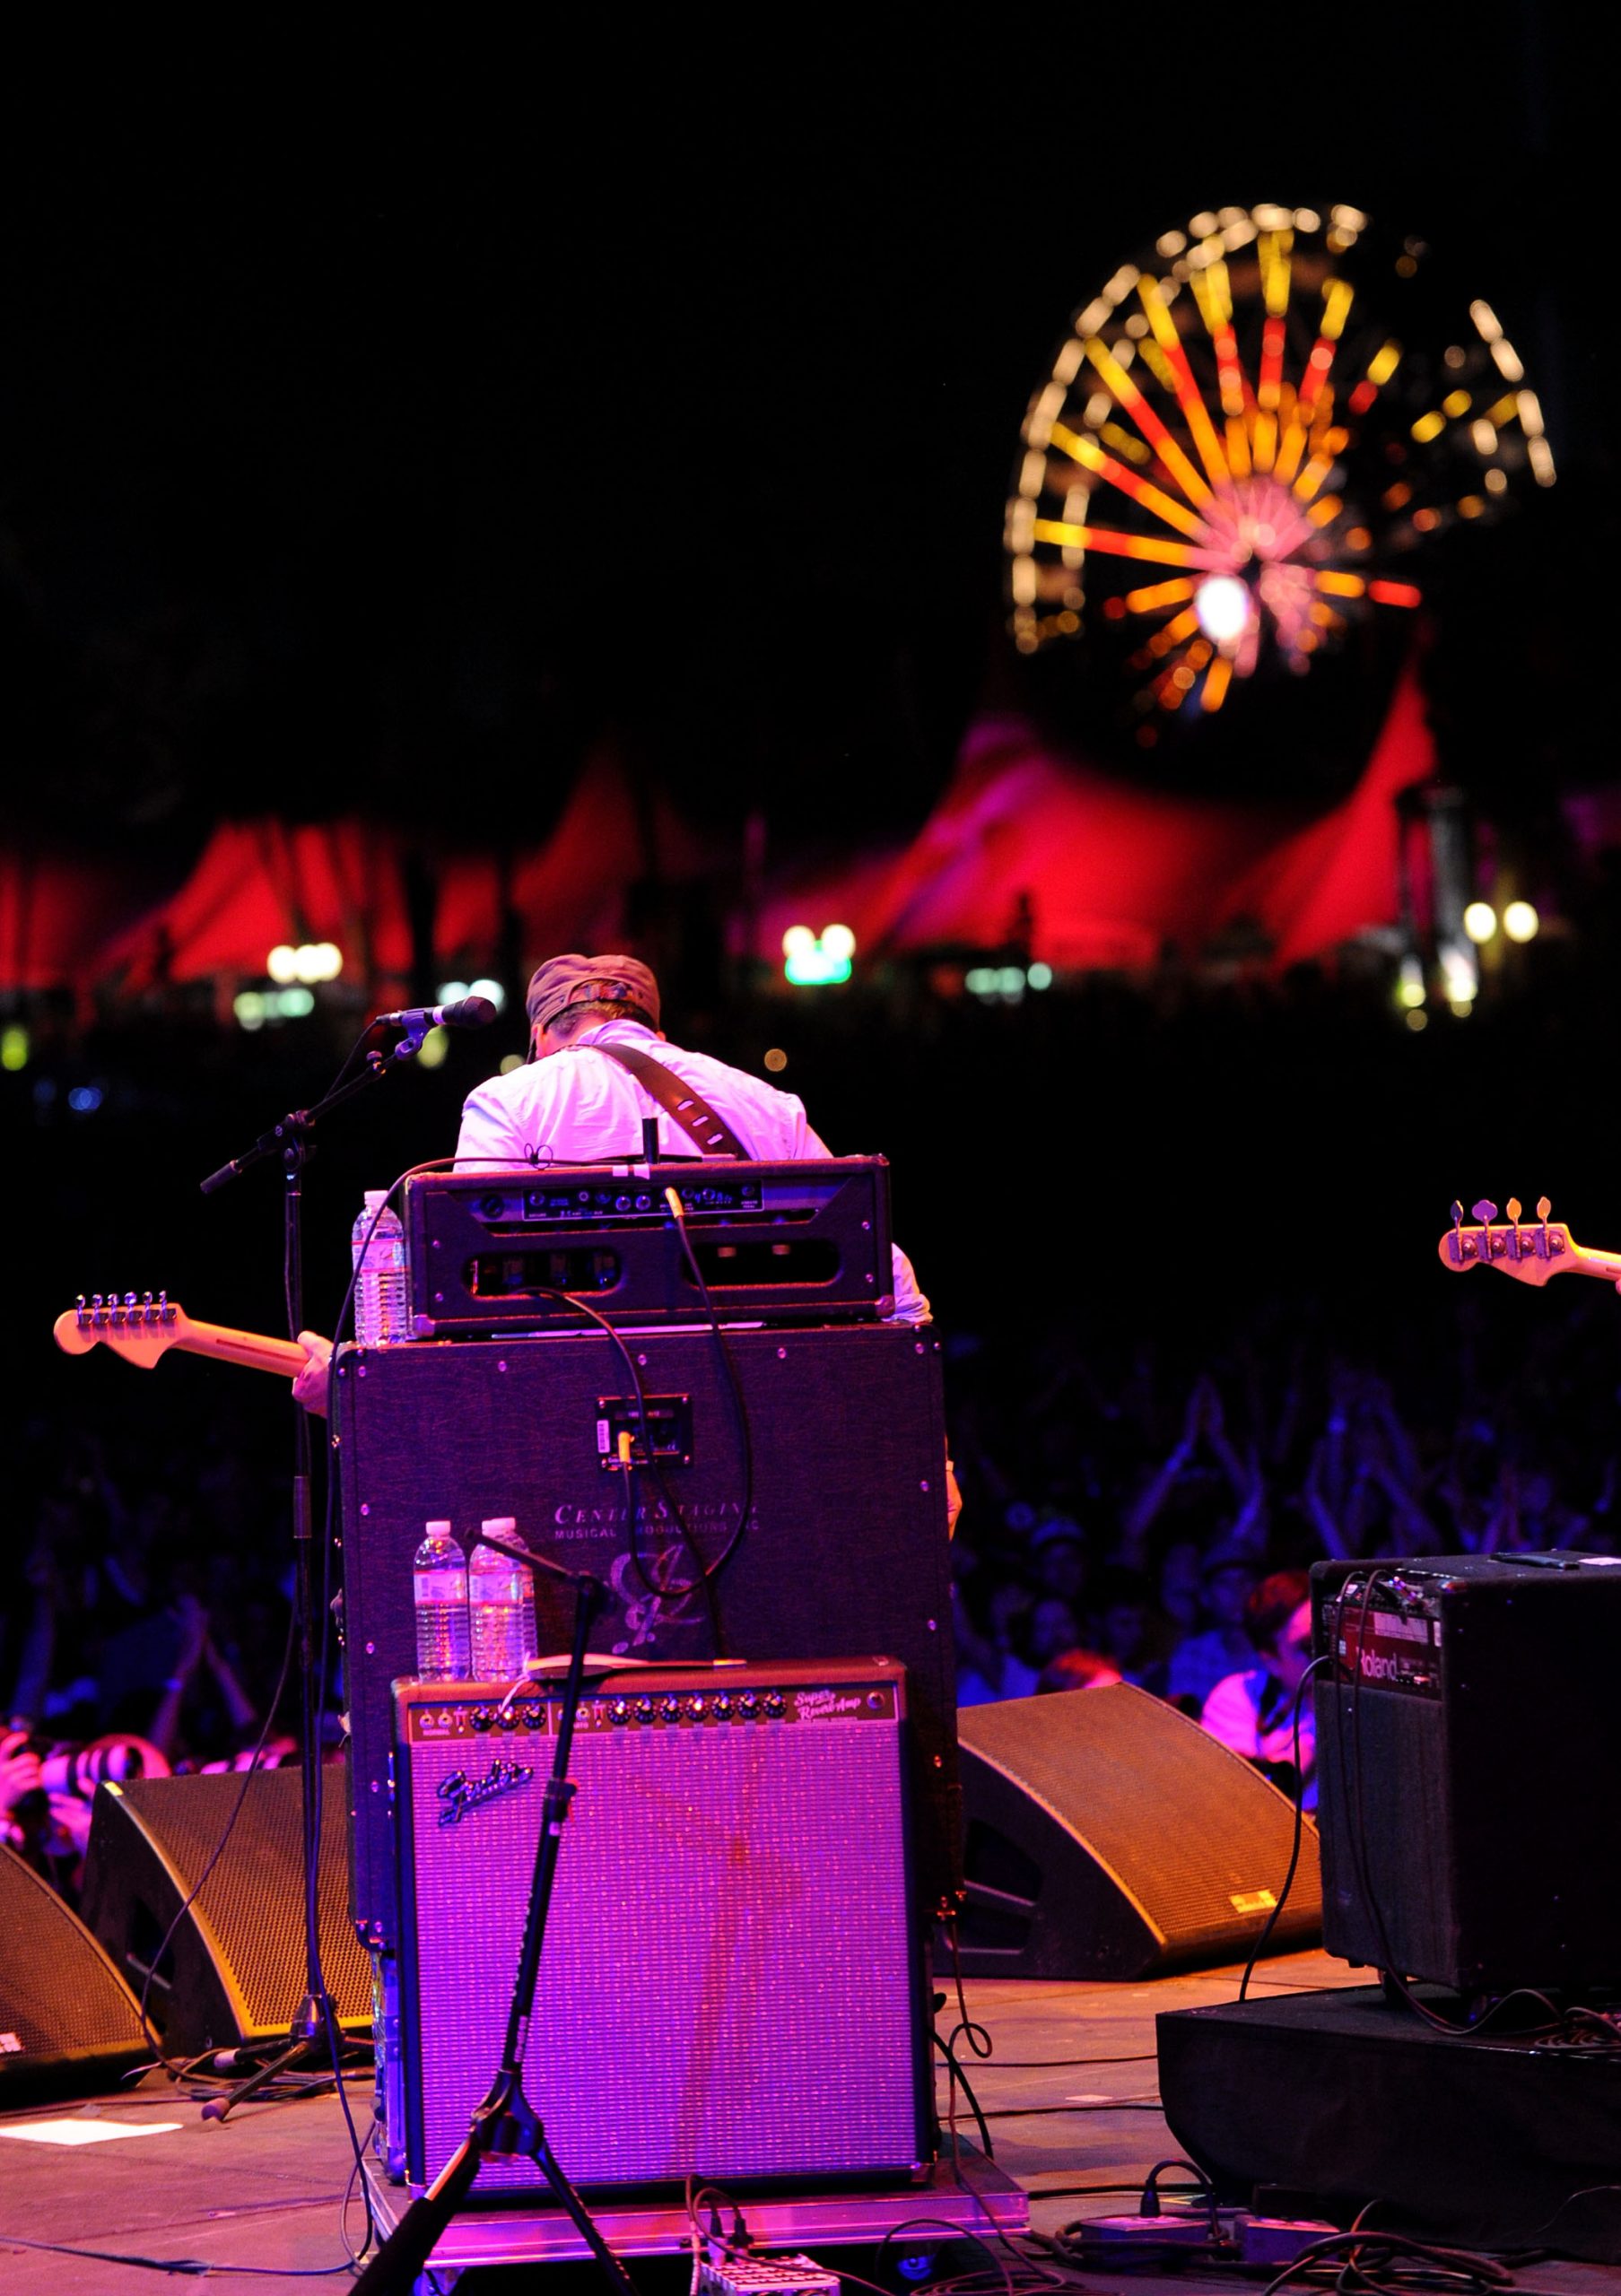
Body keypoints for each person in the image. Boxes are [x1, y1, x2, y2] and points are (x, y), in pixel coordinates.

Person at [292, 953, 937, 1417]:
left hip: (567, 1407)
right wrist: (928, 1455)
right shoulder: (767, 1103)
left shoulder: (509, 1100)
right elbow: (881, 1274)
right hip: (752, 1405)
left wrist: (365, 1379)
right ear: (656, 1030)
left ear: (543, 1035)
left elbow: (463, 1293)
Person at [1198, 1570, 1316, 1805]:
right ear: (1271, 1660)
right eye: (1308, 1647)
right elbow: (1248, 1798)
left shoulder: (1368, 1701)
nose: (1326, 1656)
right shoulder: (1237, 1696)